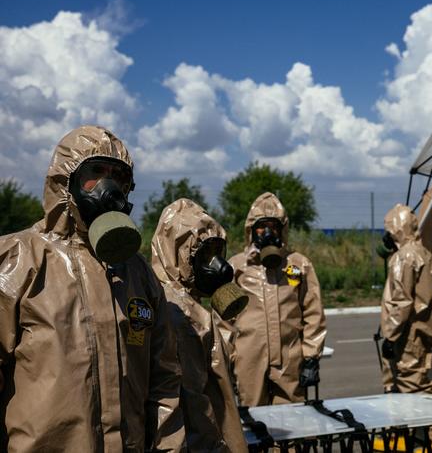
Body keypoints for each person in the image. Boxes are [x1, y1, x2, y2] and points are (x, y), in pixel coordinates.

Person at [0, 125, 184, 452]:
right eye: (96, 173)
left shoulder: (139, 274)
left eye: (118, 177)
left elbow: (164, 381)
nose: (108, 187)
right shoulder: (20, 261)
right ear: (65, 180)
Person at [151, 198, 248, 452]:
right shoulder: (179, 313)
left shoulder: (184, 302)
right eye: (205, 254)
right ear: (178, 252)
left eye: (217, 253)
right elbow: (194, 401)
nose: (217, 265)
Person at [229, 192, 326, 406]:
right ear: (251, 230)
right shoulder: (236, 268)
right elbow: (223, 320)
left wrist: (311, 357)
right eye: (261, 226)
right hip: (249, 360)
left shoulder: (298, 265)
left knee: (292, 420)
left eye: (273, 226)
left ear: (282, 229)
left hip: (290, 360)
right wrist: (227, 359)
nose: (267, 232)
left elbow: (313, 313)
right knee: (254, 422)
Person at [379, 204, 432, 394]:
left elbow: (402, 301)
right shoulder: (426, 254)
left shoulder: (403, 258)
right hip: (422, 330)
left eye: (388, 231)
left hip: (407, 336)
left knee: (411, 389)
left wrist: (390, 336)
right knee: (418, 381)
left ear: (396, 230)